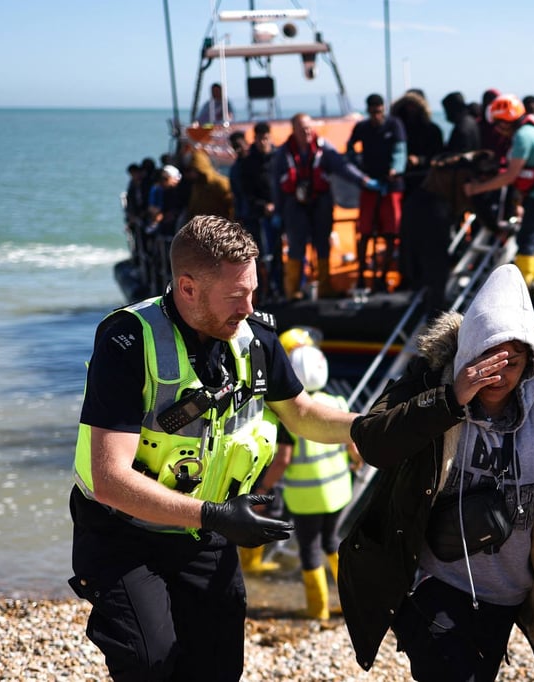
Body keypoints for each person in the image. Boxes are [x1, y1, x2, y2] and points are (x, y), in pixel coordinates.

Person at [68, 215, 359, 680]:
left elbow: (303, 415)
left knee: (220, 667)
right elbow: (109, 479)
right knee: (149, 662)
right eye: (236, 295)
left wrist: (366, 428)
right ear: (187, 288)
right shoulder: (126, 341)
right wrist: (216, 516)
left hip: (205, 532)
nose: (249, 306)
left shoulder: (256, 338)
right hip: (123, 533)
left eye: (253, 291)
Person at [338, 264, 534, 680]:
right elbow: (373, 441)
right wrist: (450, 399)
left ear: (531, 363)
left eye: (513, 363)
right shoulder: (430, 383)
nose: (498, 375)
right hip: (433, 581)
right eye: (486, 358)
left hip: (506, 592)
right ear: (467, 350)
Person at [255, 343, 361, 619]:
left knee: (309, 549)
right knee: (332, 542)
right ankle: (352, 602)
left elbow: (283, 460)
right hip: (338, 491)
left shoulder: (291, 414)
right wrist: (356, 463)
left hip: (306, 499)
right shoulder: (338, 403)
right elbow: (352, 443)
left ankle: (318, 611)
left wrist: (263, 488)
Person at [464, 94, 534, 296]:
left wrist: (477, 188)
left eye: (499, 124)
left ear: (507, 121)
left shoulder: (522, 136)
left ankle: (523, 291)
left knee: (526, 240)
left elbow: (511, 176)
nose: (497, 129)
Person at [274, 112, 376, 299]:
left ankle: (325, 286)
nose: (306, 131)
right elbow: (276, 183)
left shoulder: (324, 148)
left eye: (308, 127)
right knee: (296, 245)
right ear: (294, 129)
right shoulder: (283, 153)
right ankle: (292, 290)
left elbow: (343, 167)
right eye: (301, 127)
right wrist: (278, 210)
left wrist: (363, 180)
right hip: (294, 204)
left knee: (323, 244)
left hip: (320, 202)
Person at [390, 90, 450, 319]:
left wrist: (419, 161)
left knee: (427, 246)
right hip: (406, 191)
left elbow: (438, 158)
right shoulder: (399, 128)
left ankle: (423, 284)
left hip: (427, 191)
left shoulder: (432, 131)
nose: (411, 112)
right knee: (408, 240)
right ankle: (409, 278)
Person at [346, 93, 407, 292]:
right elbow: (350, 148)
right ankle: (362, 275)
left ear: (383, 109)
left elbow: (400, 150)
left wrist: (395, 169)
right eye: (372, 112)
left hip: (391, 187)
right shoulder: (362, 127)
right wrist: (359, 168)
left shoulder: (394, 125)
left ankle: (382, 276)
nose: (376, 115)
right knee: (365, 232)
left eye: (379, 111)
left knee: (390, 233)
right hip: (370, 185)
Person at [243, 122, 284, 301]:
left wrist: (277, 205)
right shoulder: (248, 162)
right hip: (257, 215)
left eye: (265, 138)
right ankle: (262, 293)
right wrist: (262, 206)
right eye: (259, 139)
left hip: (277, 213)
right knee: (259, 255)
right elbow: (247, 191)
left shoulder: (278, 158)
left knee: (277, 252)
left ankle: (279, 288)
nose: (262, 142)